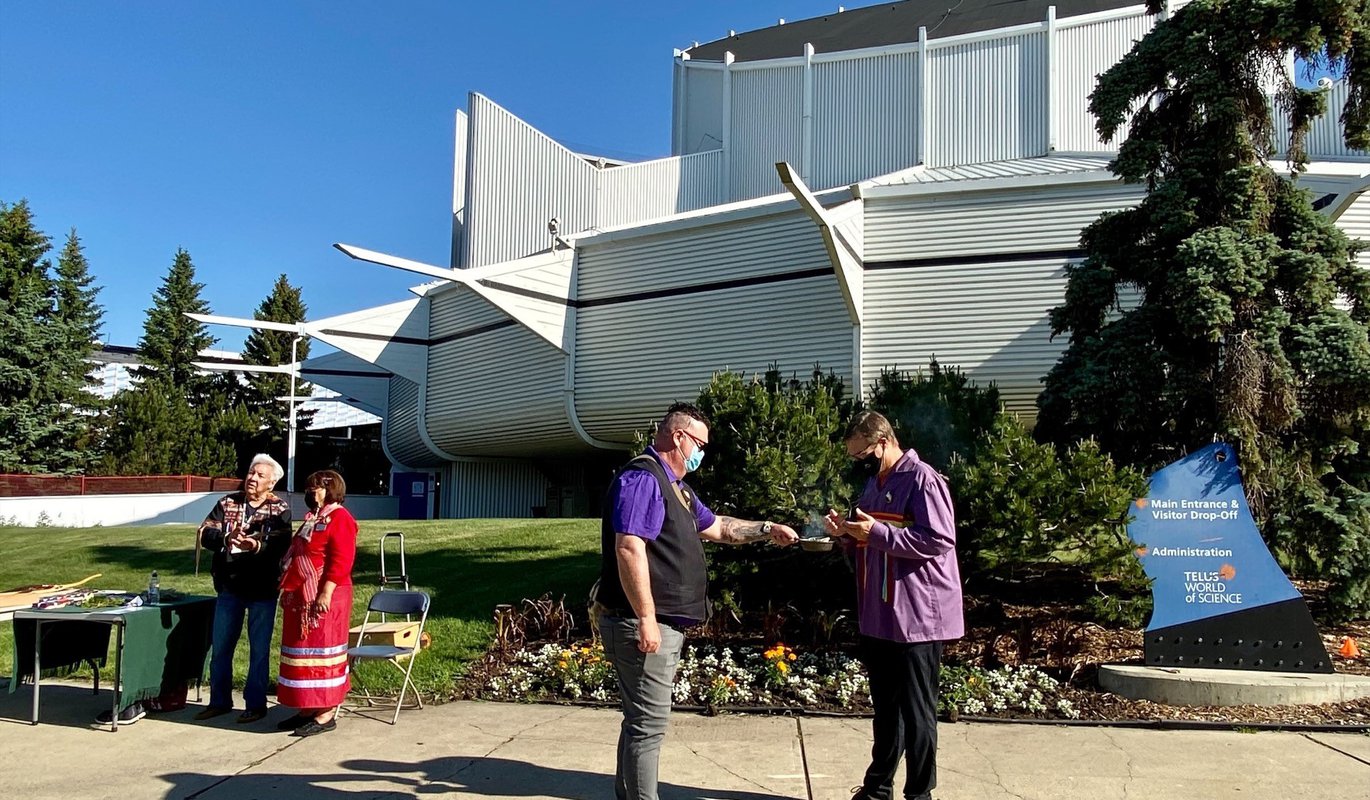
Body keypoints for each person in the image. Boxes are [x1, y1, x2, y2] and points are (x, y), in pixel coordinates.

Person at [592, 402, 800, 800]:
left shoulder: (678, 489)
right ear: (678, 437)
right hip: (641, 623)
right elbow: (629, 548)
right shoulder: (643, 480)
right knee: (649, 725)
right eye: (700, 443)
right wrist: (647, 617)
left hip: (660, 623)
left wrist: (767, 529)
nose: (702, 453)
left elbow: (719, 527)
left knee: (641, 721)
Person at [824, 410, 964, 800]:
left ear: (882, 442)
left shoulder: (923, 480)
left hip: (918, 615)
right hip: (880, 614)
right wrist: (846, 534)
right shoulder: (875, 482)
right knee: (885, 711)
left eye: (862, 454)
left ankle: (920, 795)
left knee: (918, 712)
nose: (859, 463)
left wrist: (878, 533)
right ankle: (877, 789)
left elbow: (938, 541)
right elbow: (871, 536)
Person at [187, 454, 292, 723]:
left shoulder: (280, 509)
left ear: (272, 482)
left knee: (259, 650)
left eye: (259, 475)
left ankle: (255, 705)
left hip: (263, 590)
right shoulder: (227, 502)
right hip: (229, 586)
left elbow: (281, 544)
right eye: (250, 473)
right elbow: (204, 533)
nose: (252, 478)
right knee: (221, 647)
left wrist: (256, 545)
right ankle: (219, 701)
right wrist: (225, 537)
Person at [276, 469, 358, 737]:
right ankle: (307, 707)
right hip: (302, 596)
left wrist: (326, 592)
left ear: (332, 489)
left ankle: (326, 711)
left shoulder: (340, 518)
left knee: (324, 651)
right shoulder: (313, 518)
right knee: (304, 650)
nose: (313, 492)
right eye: (310, 487)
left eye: (319, 487)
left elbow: (341, 558)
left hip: (327, 596)